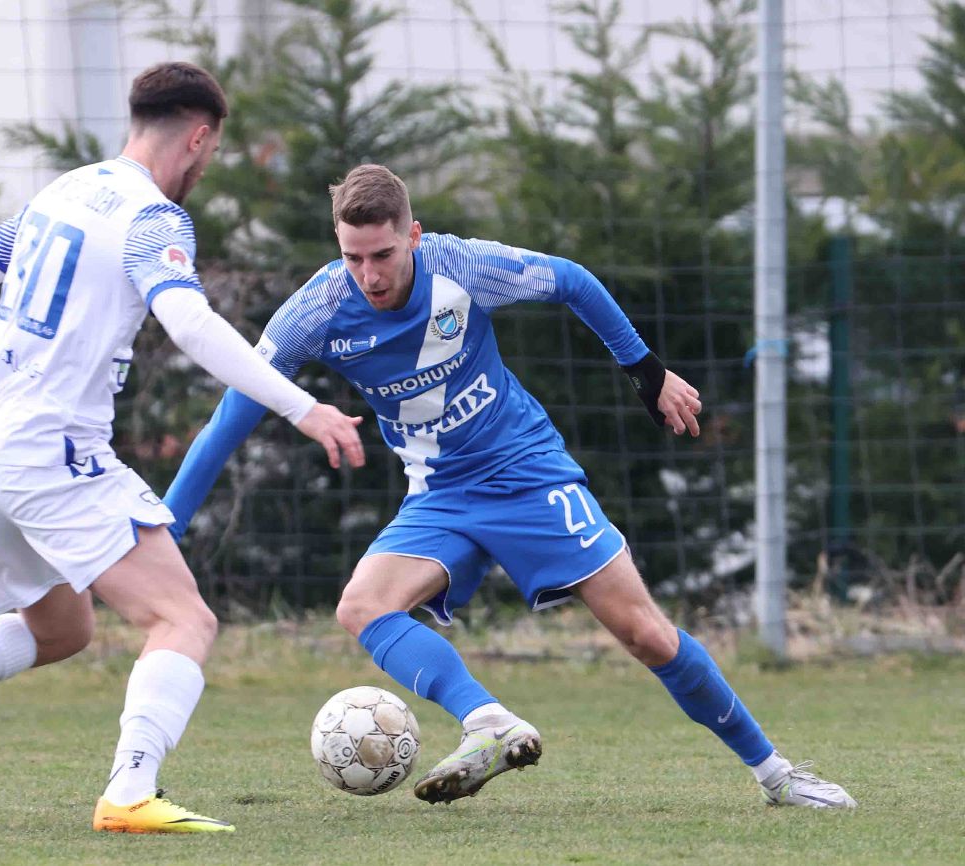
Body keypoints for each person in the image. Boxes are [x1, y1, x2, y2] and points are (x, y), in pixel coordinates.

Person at [163, 164, 856, 809]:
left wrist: (647, 372)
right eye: (353, 258)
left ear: (413, 235)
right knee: (362, 607)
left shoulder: (461, 267)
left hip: (526, 473)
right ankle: (489, 722)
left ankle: (776, 774)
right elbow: (233, 413)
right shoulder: (316, 310)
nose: (369, 275)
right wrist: (170, 525)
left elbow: (571, 281)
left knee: (645, 634)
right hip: (439, 494)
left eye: (383, 255)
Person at [0, 62, 365, 834]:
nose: (207, 166)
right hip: (52, 453)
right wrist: (303, 408)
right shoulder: (154, 220)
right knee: (183, 620)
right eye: (212, 152)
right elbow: (190, 323)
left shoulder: (65, 190)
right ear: (198, 138)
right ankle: (131, 792)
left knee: (62, 630)